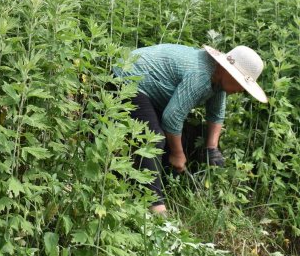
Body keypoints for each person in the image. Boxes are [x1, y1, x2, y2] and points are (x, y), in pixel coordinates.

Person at [112, 43, 268, 215]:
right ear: (229, 72)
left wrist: (211, 148)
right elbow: (172, 118)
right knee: (154, 138)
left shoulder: (217, 79)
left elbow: (216, 115)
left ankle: (163, 186)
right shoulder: (200, 76)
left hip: (149, 92)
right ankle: (156, 209)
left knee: (191, 135)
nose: (241, 90)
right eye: (241, 84)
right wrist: (177, 154)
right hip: (128, 79)